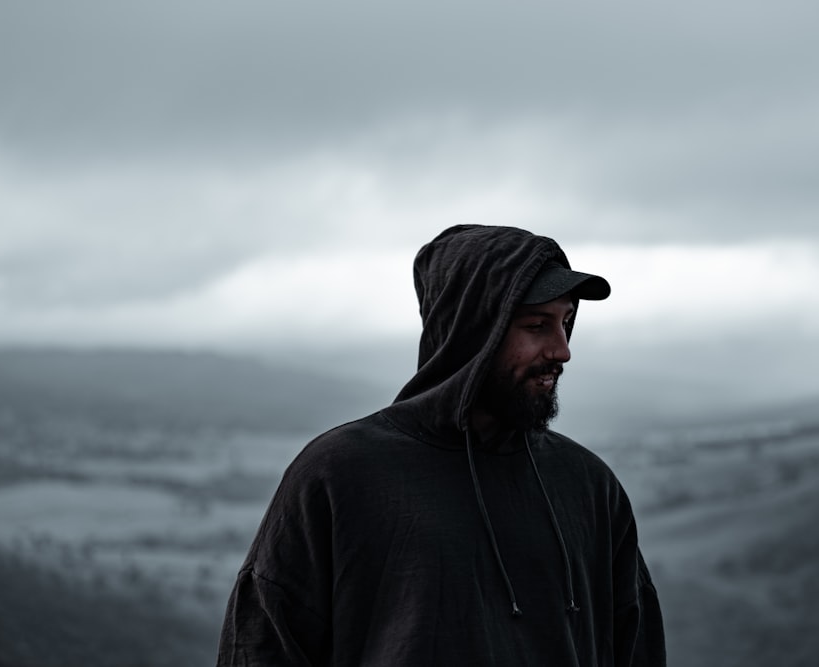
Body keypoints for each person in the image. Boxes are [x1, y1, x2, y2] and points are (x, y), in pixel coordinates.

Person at [216, 224, 666, 666]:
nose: (562, 350)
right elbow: (261, 648)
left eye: (566, 322)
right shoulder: (339, 475)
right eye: (537, 325)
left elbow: (636, 648)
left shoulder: (588, 486)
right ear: (472, 331)